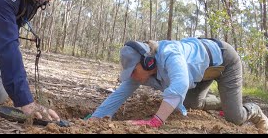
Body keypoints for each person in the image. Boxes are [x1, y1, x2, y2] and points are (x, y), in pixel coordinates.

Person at [90, 38, 268, 133]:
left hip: (225, 62)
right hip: (200, 72)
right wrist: (94, 120)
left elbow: (181, 83)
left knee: (235, 117)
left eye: (133, 71)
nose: (132, 77)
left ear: (148, 62)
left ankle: (255, 111)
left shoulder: (169, 54)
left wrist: (156, 121)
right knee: (190, 103)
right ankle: (226, 102)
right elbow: (119, 94)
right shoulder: (142, 72)